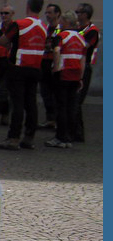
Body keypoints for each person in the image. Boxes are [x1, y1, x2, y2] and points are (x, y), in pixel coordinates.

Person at [0, 0, 46, 150]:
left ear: (28, 6)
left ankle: (13, 137)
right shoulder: (44, 26)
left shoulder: (20, 24)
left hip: (18, 66)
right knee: (31, 102)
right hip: (36, 67)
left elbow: (3, 41)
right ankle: (29, 137)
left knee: (17, 103)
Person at [46, 10, 85, 149]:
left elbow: (56, 51)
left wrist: (55, 68)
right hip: (75, 75)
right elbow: (83, 59)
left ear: (66, 22)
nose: (60, 23)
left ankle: (60, 137)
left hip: (63, 74)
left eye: (62, 20)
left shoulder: (61, 36)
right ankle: (69, 136)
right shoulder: (80, 38)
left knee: (61, 106)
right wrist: (81, 77)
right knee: (71, 107)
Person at [72, 2, 100, 143]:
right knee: (73, 100)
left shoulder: (92, 30)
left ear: (85, 14)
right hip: (74, 64)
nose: (77, 15)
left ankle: (78, 133)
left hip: (85, 66)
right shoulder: (77, 28)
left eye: (79, 12)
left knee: (77, 100)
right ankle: (74, 131)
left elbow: (86, 46)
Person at [39, 2, 61, 129]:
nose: (47, 15)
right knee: (45, 92)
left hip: (55, 63)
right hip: (44, 62)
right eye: (46, 12)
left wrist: (49, 46)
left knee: (56, 93)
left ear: (57, 14)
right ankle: (50, 118)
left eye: (50, 12)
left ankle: (57, 119)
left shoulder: (61, 29)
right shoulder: (45, 28)